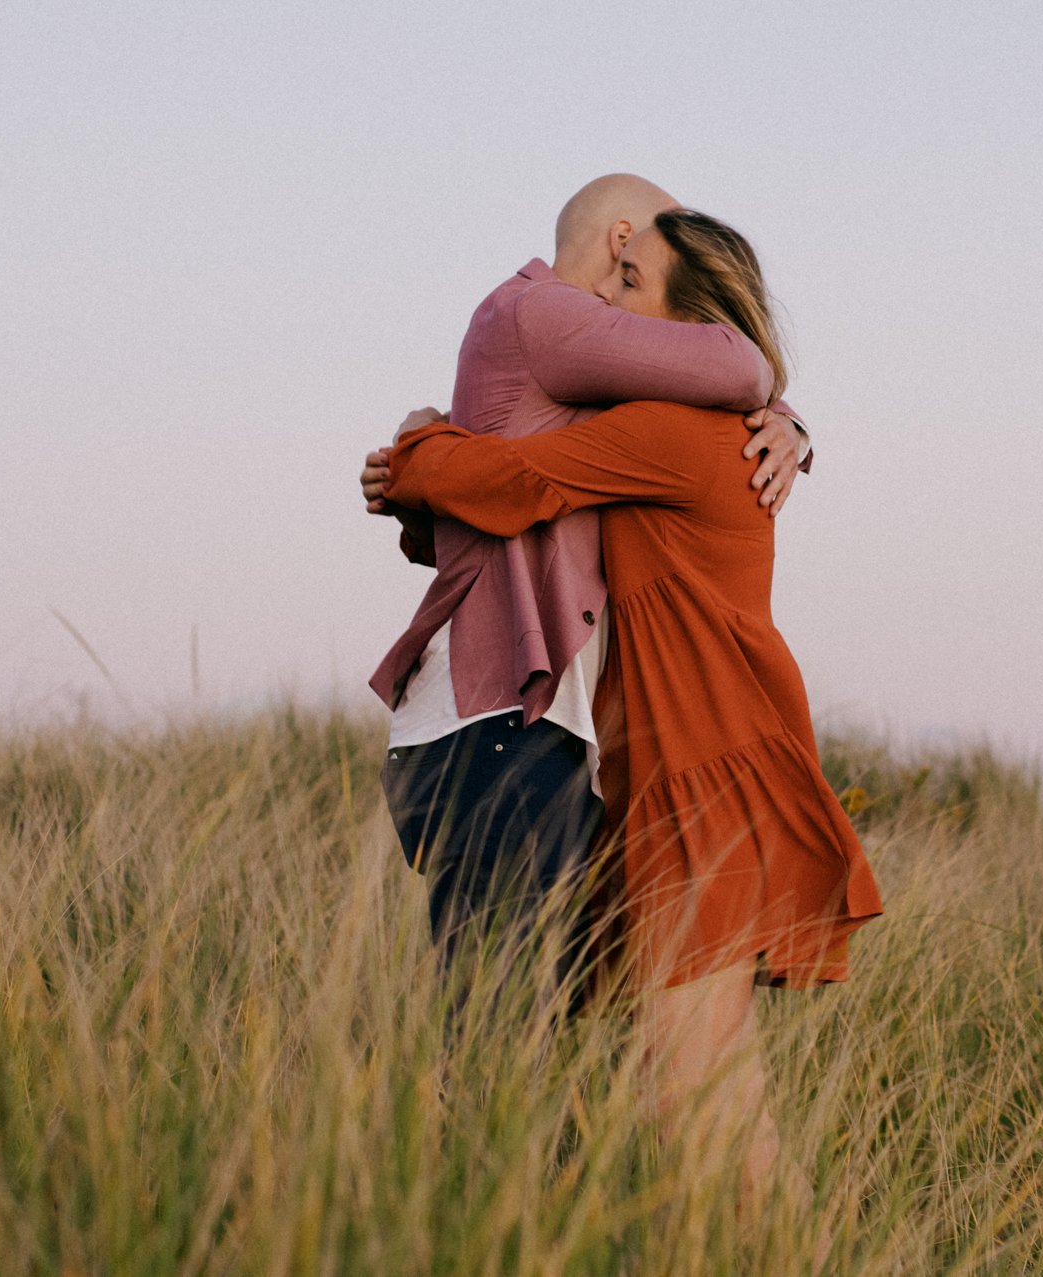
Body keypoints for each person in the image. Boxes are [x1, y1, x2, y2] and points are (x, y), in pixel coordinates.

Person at [364, 207, 883, 1209]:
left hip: (703, 777)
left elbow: (512, 477)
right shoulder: (663, 432)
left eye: (631, 284)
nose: (605, 304)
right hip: (671, 780)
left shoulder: (671, 432)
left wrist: (416, 449)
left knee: (693, 1103)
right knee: (697, 1094)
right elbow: (536, 522)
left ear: (688, 323)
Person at [365, 174, 812, 1005]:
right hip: (499, 727)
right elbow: (734, 360)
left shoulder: (593, 370)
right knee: (504, 1039)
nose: (621, 296)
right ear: (621, 239)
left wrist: (792, 425)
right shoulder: (548, 313)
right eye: (632, 270)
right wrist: (420, 461)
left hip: (543, 732)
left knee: (547, 1041)